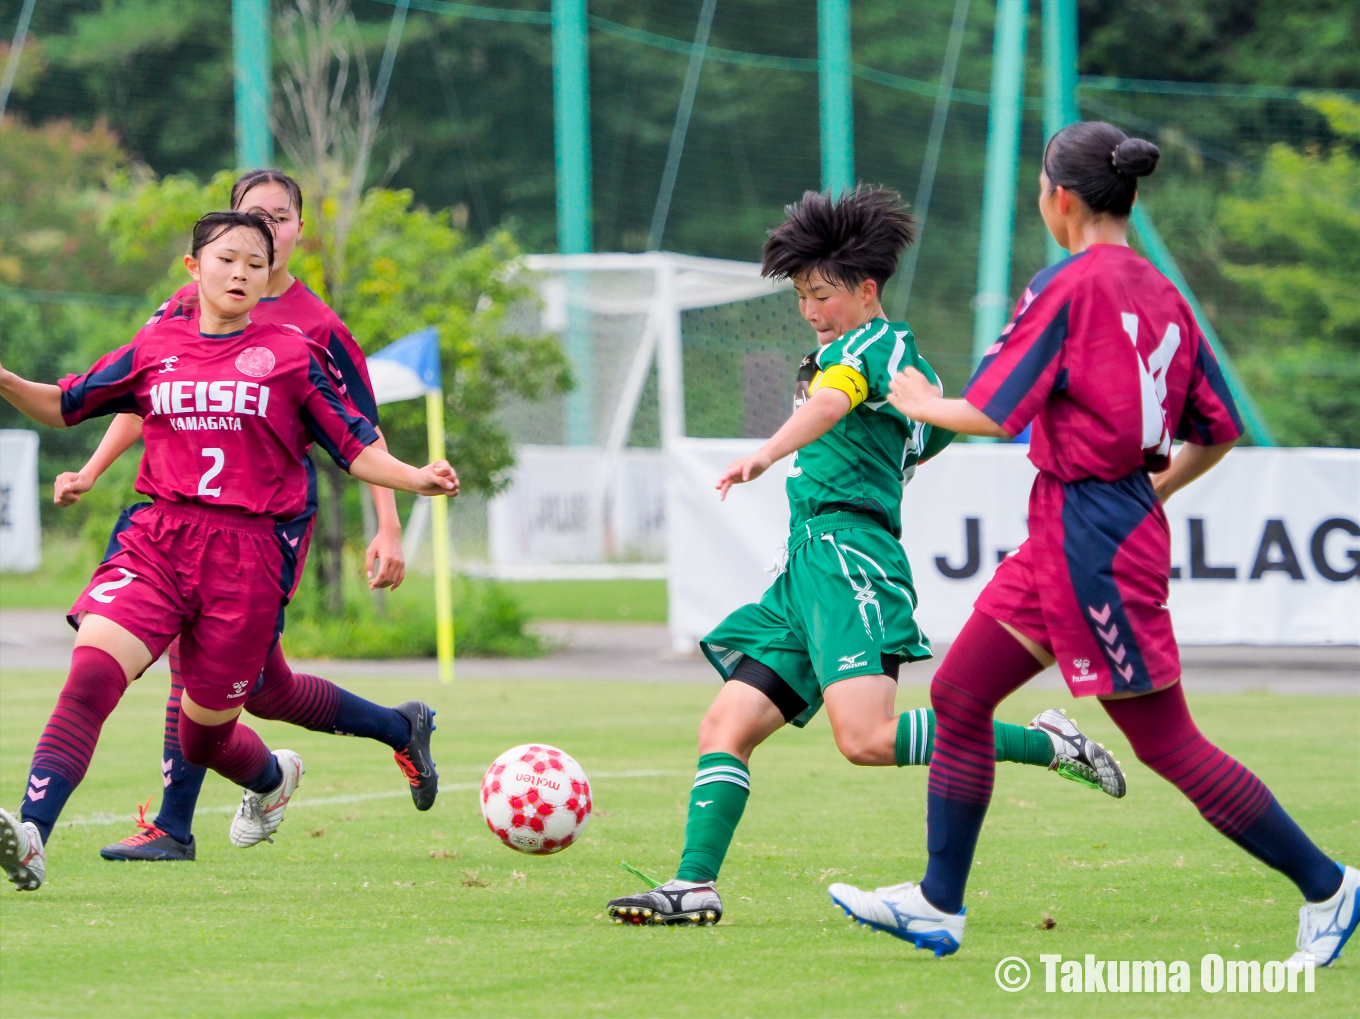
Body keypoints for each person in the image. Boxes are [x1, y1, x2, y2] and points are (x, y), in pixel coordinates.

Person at [828, 122, 1358, 969]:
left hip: (1093, 541)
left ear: (1059, 198)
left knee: (1165, 742)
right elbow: (1219, 430)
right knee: (961, 696)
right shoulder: (1162, 293)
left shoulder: (1067, 287)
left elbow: (997, 410)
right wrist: (1156, 487)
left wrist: (920, 400)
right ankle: (938, 903)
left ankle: (1330, 885)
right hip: (1080, 528)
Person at [605, 186, 1125, 928]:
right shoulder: (888, 364)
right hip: (808, 567)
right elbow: (927, 424)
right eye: (802, 298)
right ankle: (693, 884)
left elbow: (831, 404)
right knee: (724, 726)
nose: (811, 310)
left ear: (867, 289)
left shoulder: (871, 348)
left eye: (822, 295)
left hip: (851, 558)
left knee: (868, 740)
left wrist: (763, 454)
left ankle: (1044, 743)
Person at [0, 210, 459, 892]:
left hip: (245, 562)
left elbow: (356, 446)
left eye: (255, 261)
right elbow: (66, 402)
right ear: (193, 268)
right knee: (93, 671)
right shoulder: (157, 342)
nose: (240, 271)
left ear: (270, 272)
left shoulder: (292, 354)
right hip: (159, 538)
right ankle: (33, 833)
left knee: (204, 740)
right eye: (226, 258)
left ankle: (272, 776)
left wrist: (415, 478)